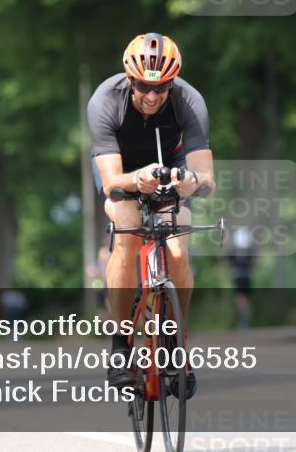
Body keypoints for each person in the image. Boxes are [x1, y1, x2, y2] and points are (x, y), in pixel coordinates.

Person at [87, 33, 215, 398]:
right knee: (127, 229)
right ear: (129, 79)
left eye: (162, 87)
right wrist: (137, 180)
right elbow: (112, 181)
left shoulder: (189, 101)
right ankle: (121, 345)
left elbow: (207, 178)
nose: (153, 96)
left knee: (178, 244)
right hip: (121, 168)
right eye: (144, 86)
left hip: (171, 165)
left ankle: (175, 341)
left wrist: (192, 181)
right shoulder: (104, 102)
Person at [225, 226, 255, 328]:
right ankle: (245, 318)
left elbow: (224, 261)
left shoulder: (234, 251)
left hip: (239, 277)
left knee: (240, 299)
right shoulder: (249, 251)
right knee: (245, 298)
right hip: (247, 276)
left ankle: (244, 319)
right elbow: (255, 262)